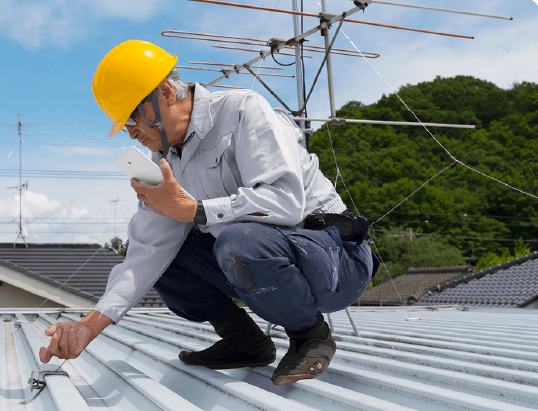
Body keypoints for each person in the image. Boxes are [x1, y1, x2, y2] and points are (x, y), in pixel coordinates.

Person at [39, 40, 378, 385]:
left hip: (336, 260)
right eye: (124, 126)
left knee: (236, 239)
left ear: (165, 92)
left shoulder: (242, 110)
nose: (131, 132)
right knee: (168, 255)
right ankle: (245, 341)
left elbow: (285, 201)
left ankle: (311, 336)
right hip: (270, 256)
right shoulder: (165, 161)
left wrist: (196, 211)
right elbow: (145, 253)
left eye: (132, 117)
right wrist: (87, 326)